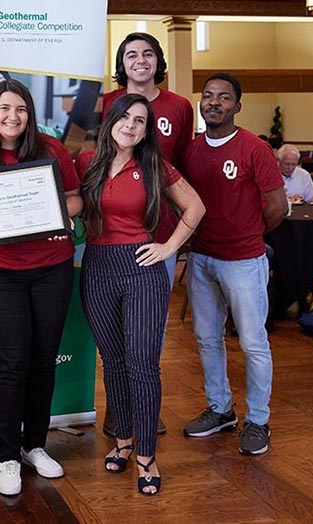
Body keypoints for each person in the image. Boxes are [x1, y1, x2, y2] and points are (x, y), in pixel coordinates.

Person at [0, 80, 83, 496]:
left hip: (52, 268)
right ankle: (8, 457)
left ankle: (34, 445)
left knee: (44, 359)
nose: (13, 116)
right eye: (5, 108)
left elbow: (75, 197)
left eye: (21, 109)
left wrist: (64, 215)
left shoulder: (52, 149)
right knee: (12, 361)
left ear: (30, 113)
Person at [78, 93, 205, 496]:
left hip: (142, 269)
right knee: (113, 361)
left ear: (147, 130)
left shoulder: (154, 166)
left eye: (140, 121)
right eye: (125, 117)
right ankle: (123, 442)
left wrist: (168, 248)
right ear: (111, 120)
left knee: (143, 365)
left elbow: (196, 207)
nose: (130, 125)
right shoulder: (86, 163)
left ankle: (147, 456)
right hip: (97, 267)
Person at [181, 73, 287, 456]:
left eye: (223, 97)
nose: (213, 102)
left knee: (253, 343)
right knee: (207, 339)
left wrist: (247, 234)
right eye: (207, 96)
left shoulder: (254, 148)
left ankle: (258, 419)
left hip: (243, 260)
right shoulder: (192, 149)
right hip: (202, 258)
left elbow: (278, 207)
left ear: (237, 106)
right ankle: (220, 408)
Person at [98, 32, 194, 437]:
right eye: (131, 54)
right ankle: (119, 416)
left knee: (146, 339)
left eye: (148, 54)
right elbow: (92, 164)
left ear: (158, 61)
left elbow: (184, 165)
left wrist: (174, 244)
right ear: (122, 61)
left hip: (157, 238)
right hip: (106, 237)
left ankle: (145, 412)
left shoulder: (179, 106)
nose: (140, 60)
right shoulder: (103, 103)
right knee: (114, 342)